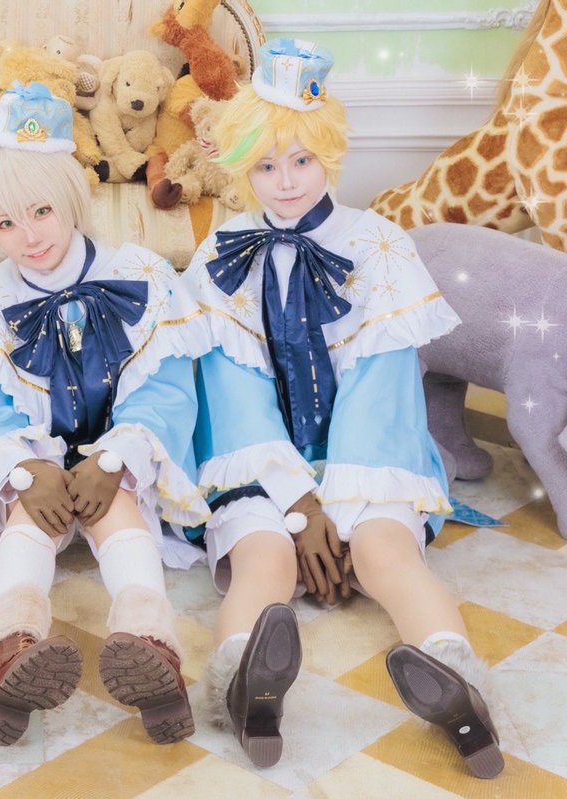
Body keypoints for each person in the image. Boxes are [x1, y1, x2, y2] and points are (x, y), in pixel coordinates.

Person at [185, 38, 503, 778]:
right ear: (242, 168)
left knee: (385, 552)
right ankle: (245, 683)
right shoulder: (221, 252)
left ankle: (459, 685)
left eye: (301, 160)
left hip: (369, 456)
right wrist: (299, 507)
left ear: (328, 152)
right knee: (263, 558)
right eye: (266, 166)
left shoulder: (380, 246)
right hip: (261, 462)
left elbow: (380, 392)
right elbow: (233, 392)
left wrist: (341, 502)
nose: (285, 182)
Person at [0, 82, 212, 747]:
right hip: (39, 464)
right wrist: (23, 470)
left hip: (115, 458)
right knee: (26, 517)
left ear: (71, 197)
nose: (28, 237)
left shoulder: (141, 275)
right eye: (5, 224)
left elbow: (166, 390)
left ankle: (152, 650)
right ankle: (10, 655)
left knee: (118, 506)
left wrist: (114, 457)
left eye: (41, 211)